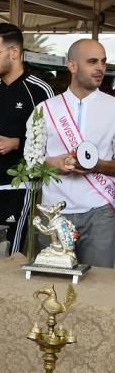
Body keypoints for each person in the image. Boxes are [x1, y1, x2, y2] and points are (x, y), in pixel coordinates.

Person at [28, 39, 115, 268]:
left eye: (103, 62)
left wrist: (96, 165)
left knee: (99, 285)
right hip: (53, 212)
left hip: (100, 212)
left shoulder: (113, 107)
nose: (100, 68)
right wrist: (51, 163)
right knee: (51, 283)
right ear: (72, 66)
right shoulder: (44, 110)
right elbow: (29, 164)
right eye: (92, 62)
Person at [0, 23, 54, 254]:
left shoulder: (41, 92)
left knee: (12, 255)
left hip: (21, 188)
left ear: (14, 53)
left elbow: (52, 142)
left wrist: (17, 142)